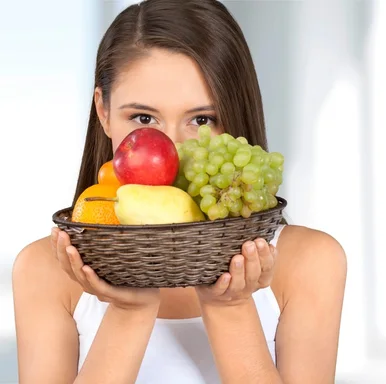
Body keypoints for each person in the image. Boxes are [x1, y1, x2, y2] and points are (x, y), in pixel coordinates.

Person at [12, 1, 347, 383]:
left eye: (202, 120)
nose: (170, 148)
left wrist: (231, 307)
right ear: (103, 111)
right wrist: (128, 311)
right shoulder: (45, 270)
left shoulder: (309, 263)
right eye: (143, 118)